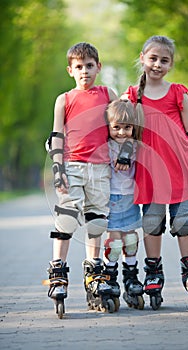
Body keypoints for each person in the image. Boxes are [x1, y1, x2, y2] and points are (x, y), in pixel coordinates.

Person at [122, 35, 188, 311]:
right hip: (150, 169)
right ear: (143, 57)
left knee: (183, 221)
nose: (157, 64)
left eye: (164, 60)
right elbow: (117, 127)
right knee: (153, 221)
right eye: (153, 58)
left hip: (180, 166)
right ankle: (153, 271)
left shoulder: (177, 93)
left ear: (171, 64)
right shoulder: (133, 95)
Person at [44, 42, 118, 315]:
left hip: (100, 168)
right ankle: (58, 272)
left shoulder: (108, 94)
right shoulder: (64, 99)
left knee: (96, 219)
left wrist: (122, 155)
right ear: (70, 70)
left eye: (89, 66)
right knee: (66, 218)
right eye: (79, 67)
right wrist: (57, 169)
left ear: (99, 67)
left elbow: (119, 127)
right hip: (72, 166)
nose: (84, 71)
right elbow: (57, 136)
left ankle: (94, 273)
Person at [102, 99, 144, 310]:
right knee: (115, 242)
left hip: (129, 199)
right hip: (111, 198)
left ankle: (131, 276)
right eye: (116, 127)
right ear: (108, 126)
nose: (121, 132)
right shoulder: (105, 146)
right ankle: (110, 276)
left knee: (131, 240)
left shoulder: (134, 145)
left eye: (127, 127)